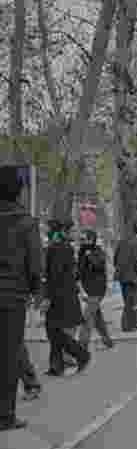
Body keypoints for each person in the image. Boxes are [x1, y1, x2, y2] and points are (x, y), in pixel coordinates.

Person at [0, 166, 43, 430]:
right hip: (12, 295)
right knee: (9, 353)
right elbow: (35, 263)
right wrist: (36, 291)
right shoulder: (25, 221)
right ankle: (5, 414)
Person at [44, 220, 91, 377]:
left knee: (54, 330)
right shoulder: (63, 247)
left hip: (60, 296)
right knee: (54, 330)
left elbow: (56, 275)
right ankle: (58, 365)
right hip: (63, 295)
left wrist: (48, 297)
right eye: (74, 231)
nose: (76, 234)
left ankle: (79, 356)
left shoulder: (58, 247)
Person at [76, 229, 115, 350]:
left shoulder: (98, 251)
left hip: (97, 289)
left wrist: (90, 256)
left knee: (87, 317)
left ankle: (82, 345)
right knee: (97, 316)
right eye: (81, 239)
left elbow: (99, 265)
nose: (82, 242)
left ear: (91, 239)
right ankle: (107, 340)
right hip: (88, 289)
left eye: (85, 239)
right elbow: (80, 270)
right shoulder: (81, 252)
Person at [114, 222, 137, 331]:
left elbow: (115, 257)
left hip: (121, 274)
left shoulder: (123, 240)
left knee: (127, 300)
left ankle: (132, 323)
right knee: (130, 301)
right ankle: (127, 325)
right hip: (132, 275)